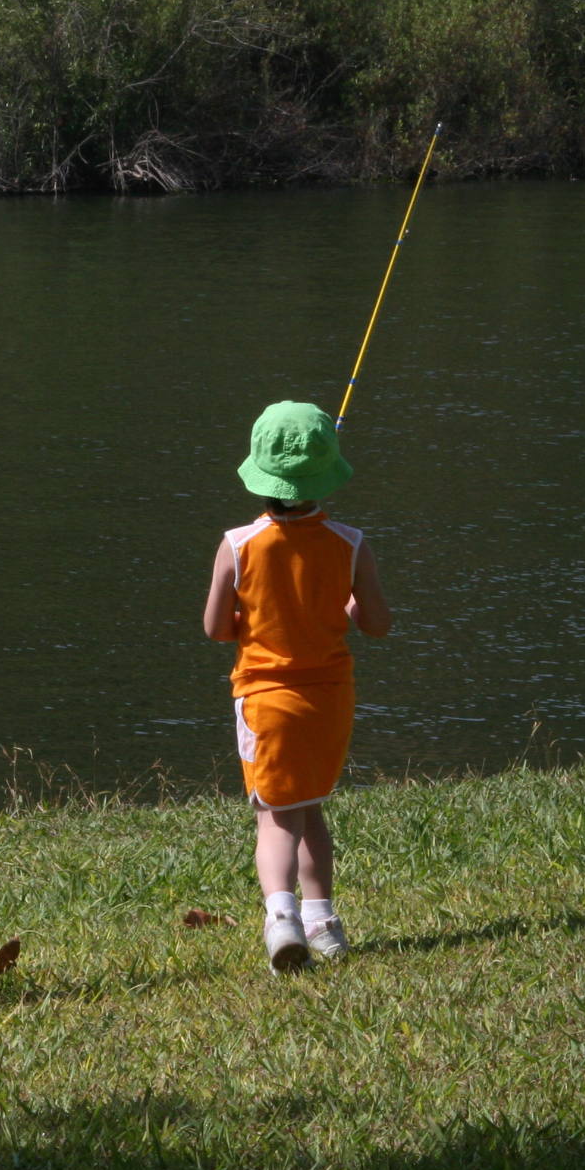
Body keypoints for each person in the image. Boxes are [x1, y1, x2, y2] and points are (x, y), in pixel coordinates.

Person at [203, 401, 391, 974]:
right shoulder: (351, 542)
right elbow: (377, 624)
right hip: (330, 697)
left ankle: (281, 918)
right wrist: (352, 603)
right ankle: (323, 922)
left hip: (266, 700)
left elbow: (215, 629)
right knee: (310, 809)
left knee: (276, 816)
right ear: (325, 475)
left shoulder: (237, 544)